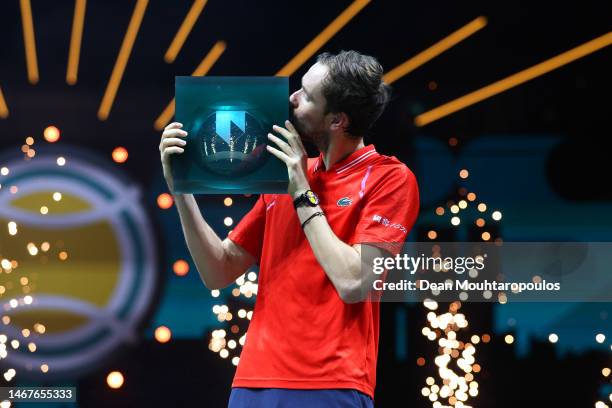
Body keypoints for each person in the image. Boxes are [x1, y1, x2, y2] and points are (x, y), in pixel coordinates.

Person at [159, 50, 419, 407]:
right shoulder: (283, 175)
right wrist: (182, 190)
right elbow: (218, 270)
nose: (293, 98)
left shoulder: (389, 179)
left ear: (337, 121)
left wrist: (301, 192)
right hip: (253, 382)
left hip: (331, 383)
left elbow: (354, 281)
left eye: (308, 96)